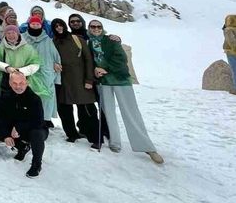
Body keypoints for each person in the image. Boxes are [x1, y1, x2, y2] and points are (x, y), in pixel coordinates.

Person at [88, 20, 164, 164]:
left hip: (119, 79)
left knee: (130, 112)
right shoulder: (89, 43)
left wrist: (106, 69)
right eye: (93, 27)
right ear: (89, 29)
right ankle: (115, 142)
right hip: (103, 82)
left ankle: (147, 147)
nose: (96, 29)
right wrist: (95, 71)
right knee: (108, 112)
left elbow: (121, 58)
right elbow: (90, 61)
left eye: (99, 26)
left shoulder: (111, 40)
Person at [52, 19, 99, 144]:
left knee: (87, 109)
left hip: (80, 79)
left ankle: (95, 138)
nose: (58, 28)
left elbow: (88, 59)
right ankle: (71, 134)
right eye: (55, 26)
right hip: (62, 80)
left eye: (60, 25)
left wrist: (89, 79)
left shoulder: (76, 39)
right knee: (64, 110)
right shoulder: (53, 42)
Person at [0, 25, 49, 100]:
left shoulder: (28, 48)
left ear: (18, 34)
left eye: (13, 33)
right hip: (6, 81)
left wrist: (21, 71)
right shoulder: (1, 48)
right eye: (8, 33)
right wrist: (6, 68)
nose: (11, 35)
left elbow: (36, 64)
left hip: (25, 81)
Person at [0, 72, 48, 178]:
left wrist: (19, 128)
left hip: (34, 129)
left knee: (37, 134)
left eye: (21, 83)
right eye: (15, 83)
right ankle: (23, 147)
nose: (18, 86)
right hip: (14, 130)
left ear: (26, 83)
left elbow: (38, 122)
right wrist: (5, 135)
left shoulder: (34, 99)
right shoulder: (5, 97)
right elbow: (1, 118)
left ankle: (36, 164)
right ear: (10, 83)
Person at [21, 16, 61, 127]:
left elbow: (56, 57)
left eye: (37, 24)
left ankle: (43, 123)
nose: (35, 26)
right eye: (33, 24)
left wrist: (57, 76)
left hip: (45, 75)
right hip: (28, 74)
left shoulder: (47, 40)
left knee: (44, 100)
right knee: (28, 98)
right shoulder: (22, 38)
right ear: (29, 25)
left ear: (41, 25)